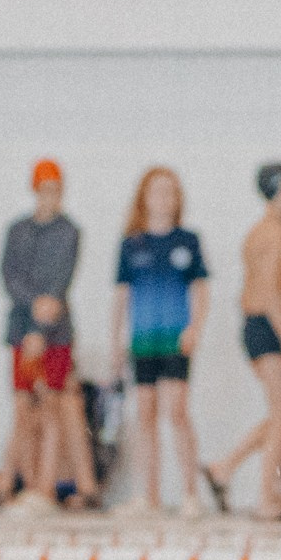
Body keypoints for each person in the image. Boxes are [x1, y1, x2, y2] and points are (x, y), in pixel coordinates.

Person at [206, 162, 281, 518]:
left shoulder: (266, 230)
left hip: (261, 324)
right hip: (266, 326)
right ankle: (268, 498)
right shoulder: (272, 234)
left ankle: (227, 468)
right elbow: (267, 293)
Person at [112, 165, 210, 516]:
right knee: (145, 413)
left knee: (177, 411)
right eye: (157, 191)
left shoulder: (187, 242)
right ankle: (149, 496)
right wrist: (116, 343)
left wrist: (195, 327)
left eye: (170, 191)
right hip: (143, 341)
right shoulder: (131, 244)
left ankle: (190, 494)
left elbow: (201, 289)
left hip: (175, 339)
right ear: (144, 198)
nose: (163, 198)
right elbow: (121, 297)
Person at [0, 159, 91, 510]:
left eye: (57, 190)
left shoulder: (70, 232)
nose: (51, 196)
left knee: (52, 404)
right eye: (45, 189)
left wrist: (41, 328)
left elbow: (60, 281)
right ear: (35, 190)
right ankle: (26, 481)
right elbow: (10, 277)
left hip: (56, 333)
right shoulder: (18, 231)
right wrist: (30, 323)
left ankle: (45, 486)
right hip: (22, 330)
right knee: (24, 408)